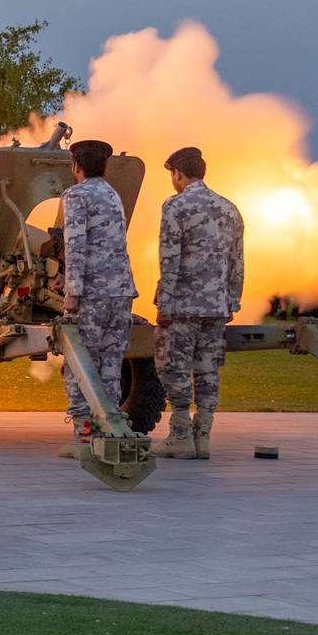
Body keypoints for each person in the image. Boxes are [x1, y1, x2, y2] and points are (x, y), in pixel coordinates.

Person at [152, 147, 244, 460]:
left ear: (178, 173)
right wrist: (232, 300)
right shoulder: (229, 208)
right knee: (207, 370)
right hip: (217, 305)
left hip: (183, 306)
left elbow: (169, 259)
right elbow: (237, 260)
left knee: (173, 367)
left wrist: (164, 303)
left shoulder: (176, 206)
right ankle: (202, 437)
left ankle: (180, 435)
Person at [57, 139, 137, 459]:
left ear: (76, 165)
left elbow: (76, 245)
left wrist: (72, 292)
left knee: (80, 363)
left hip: (92, 292)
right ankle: (108, 431)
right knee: (111, 363)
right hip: (121, 291)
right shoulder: (112, 194)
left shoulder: (76, 195)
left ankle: (84, 436)